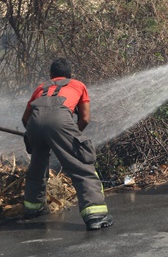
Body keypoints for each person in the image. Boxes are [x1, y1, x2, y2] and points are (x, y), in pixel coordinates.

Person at [21, 58, 113, 230]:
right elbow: (85, 118)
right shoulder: (78, 85)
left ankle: (33, 209)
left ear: (51, 75)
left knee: (37, 166)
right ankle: (95, 216)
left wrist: (43, 135)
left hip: (34, 124)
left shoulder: (41, 87)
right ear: (71, 75)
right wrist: (68, 137)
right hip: (60, 123)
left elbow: (26, 119)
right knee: (81, 166)